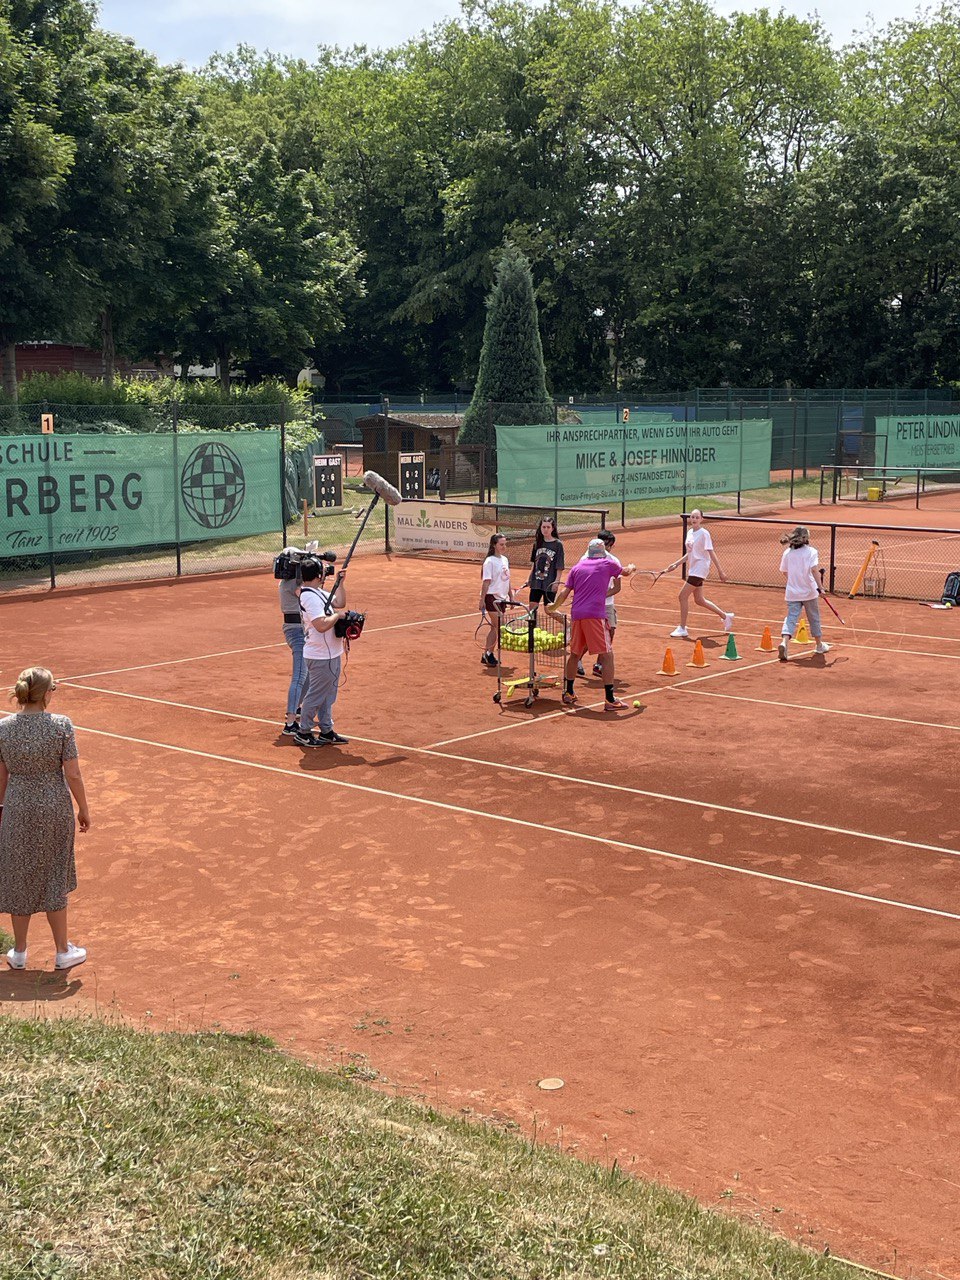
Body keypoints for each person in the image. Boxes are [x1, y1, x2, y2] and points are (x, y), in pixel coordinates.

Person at [0, 667, 90, 971]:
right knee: (54, 874)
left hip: (16, 807)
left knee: (18, 874)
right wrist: (84, 808)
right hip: (54, 808)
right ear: (46, 693)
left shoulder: (4, 728)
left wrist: (2, 810)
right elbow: (73, 773)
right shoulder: (61, 725)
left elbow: (1, 779)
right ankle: (63, 951)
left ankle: (20, 952)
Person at [548, 539, 628, 711]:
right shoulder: (608, 563)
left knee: (575, 653)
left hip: (577, 615)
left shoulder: (577, 568)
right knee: (607, 655)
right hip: (595, 616)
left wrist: (553, 607)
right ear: (602, 552)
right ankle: (610, 699)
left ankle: (568, 692)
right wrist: (633, 567)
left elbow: (564, 592)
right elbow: (626, 572)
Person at [296, 560, 351, 747]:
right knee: (316, 695)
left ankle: (326, 730)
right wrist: (338, 616)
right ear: (319, 575)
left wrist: (341, 583)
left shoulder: (317, 593)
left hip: (331, 653)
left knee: (328, 695)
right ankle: (304, 731)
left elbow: (340, 602)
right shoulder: (309, 597)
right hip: (319, 656)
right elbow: (321, 625)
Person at [667, 509, 734, 638]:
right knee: (699, 600)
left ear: (701, 519)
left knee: (682, 596)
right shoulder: (690, 533)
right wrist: (676, 564)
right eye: (692, 517)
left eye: (697, 517)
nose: (694, 519)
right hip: (693, 568)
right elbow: (690, 553)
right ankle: (725, 616)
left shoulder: (704, 534)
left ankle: (682, 628)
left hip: (700, 568)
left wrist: (721, 571)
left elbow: (711, 552)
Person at [778, 526, 831, 661]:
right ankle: (819, 645)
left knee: (791, 617)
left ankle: (784, 642)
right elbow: (814, 571)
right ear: (806, 539)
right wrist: (821, 588)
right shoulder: (811, 552)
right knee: (814, 618)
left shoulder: (787, 553)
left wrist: (794, 581)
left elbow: (784, 571)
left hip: (792, 592)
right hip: (809, 592)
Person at [479, 533, 519, 667]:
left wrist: (511, 596)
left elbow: (507, 579)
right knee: (498, 626)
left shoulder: (505, 560)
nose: (504, 546)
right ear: (494, 545)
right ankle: (489, 654)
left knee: (494, 627)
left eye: (505, 544)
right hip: (491, 598)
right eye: (501, 544)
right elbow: (486, 582)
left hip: (502, 599)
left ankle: (486, 654)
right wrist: (482, 599)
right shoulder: (489, 561)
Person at [279, 556, 307, 737]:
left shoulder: (285, 582)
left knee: (308, 674)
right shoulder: (293, 586)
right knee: (299, 675)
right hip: (298, 632)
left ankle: (297, 707)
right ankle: (290, 723)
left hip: (296, 629)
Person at [527, 516, 565, 606]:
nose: (545, 529)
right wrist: (529, 578)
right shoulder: (537, 543)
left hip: (550, 583)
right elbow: (534, 563)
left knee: (549, 609)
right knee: (532, 608)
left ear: (553, 528)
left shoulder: (558, 544)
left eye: (548, 527)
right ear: (540, 528)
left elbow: (559, 566)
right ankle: (532, 621)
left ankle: (565, 621)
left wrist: (556, 582)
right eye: (543, 527)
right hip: (536, 582)